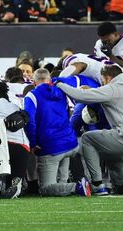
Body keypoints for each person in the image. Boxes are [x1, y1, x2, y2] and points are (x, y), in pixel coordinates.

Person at [56, 65, 123, 195]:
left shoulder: (113, 88)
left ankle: (97, 184)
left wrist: (60, 85)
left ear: (108, 78)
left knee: (87, 139)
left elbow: (81, 96)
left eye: (103, 80)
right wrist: (93, 90)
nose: (103, 83)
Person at [23, 69, 90, 197]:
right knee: (61, 183)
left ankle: (77, 186)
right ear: (49, 79)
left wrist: (32, 143)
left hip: (51, 146)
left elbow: (30, 121)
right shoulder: (60, 91)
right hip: (70, 143)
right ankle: (76, 185)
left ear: (33, 82)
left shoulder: (32, 95)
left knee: (46, 188)